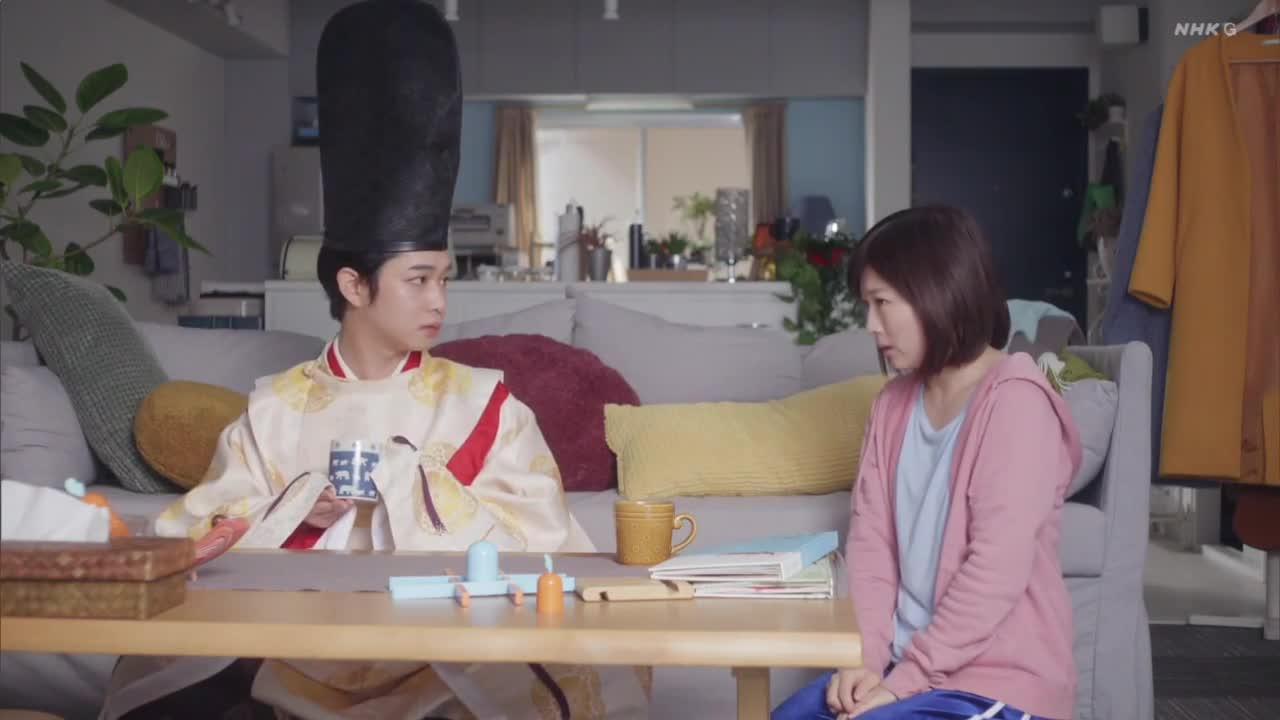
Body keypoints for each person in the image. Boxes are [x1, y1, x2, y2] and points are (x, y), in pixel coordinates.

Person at [102, 1, 650, 718]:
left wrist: (408, 482)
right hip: (295, 641)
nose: (438, 301)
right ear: (354, 286)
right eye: (417, 280)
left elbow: (544, 540)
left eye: (444, 279)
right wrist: (302, 509)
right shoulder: (275, 407)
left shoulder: (485, 403)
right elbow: (193, 537)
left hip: (439, 652)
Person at [772, 206, 1082, 720]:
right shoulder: (891, 405)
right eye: (866, 305)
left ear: (937, 292)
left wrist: (903, 684)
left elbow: (995, 571)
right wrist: (866, 663)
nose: (870, 325)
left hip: (997, 683)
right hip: (902, 671)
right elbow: (872, 548)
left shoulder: (1017, 402)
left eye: (882, 303)